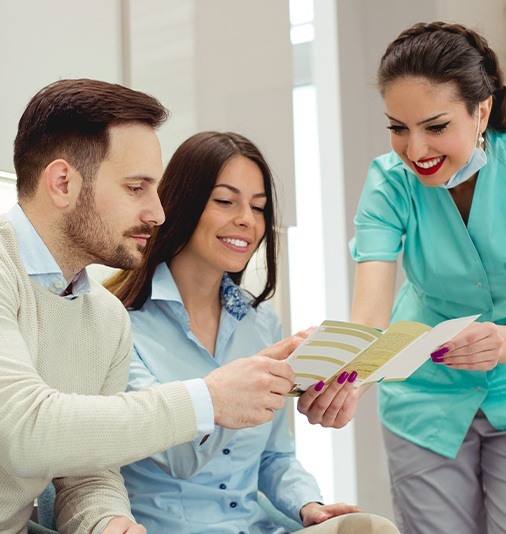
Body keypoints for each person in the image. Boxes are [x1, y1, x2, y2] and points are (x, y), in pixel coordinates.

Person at [0, 78, 308, 534]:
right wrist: (210, 398)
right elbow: (22, 432)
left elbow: (90, 470)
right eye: (136, 188)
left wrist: (106, 521)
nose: (158, 213)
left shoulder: (103, 317)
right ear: (63, 182)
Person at [106, 131, 400, 534]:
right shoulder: (118, 324)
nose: (246, 218)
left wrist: (309, 505)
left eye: (258, 207)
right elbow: (176, 453)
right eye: (225, 201)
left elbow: (274, 456)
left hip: (257, 527)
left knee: (370, 528)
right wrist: (241, 385)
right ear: (181, 203)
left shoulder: (261, 323)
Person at [349, 21, 506, 534]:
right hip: (424, 400)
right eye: (398, 127)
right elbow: (369, 316)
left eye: (435, 127)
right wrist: (343, 375)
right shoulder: (389, 185)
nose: (415, 150)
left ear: (480, 110)